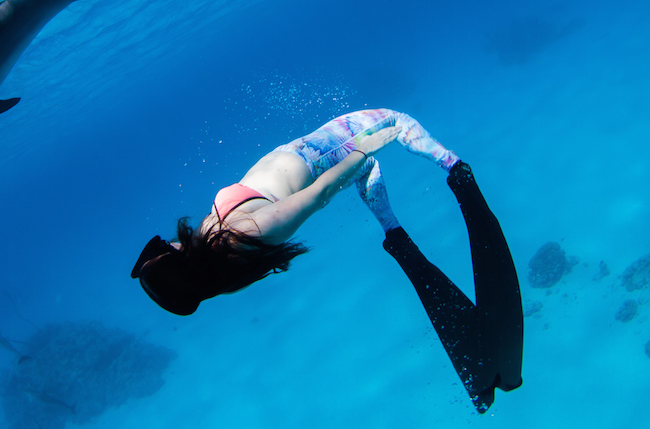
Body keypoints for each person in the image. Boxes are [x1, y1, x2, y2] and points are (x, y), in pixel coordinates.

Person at [131, 109, 523, 412]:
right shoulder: (248, 234)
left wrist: (359, 160)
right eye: (165, 249)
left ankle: (394, 232)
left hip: (317, 152)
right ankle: (459, 174)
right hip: (325, 152)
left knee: (365, 170)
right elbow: (318, 194)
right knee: (396, 121)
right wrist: (364, 147)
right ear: (180, 262)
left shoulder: (210, 246)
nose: (168, 241)